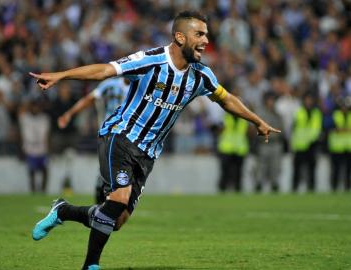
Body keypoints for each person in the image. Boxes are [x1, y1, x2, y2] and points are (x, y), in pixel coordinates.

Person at [29, 11, 280, 270]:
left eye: (206, 34)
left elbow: (226, 98)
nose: (206, 40)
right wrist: (61, 75)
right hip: (121, 135)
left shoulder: (201, 75)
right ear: (180, 37)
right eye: (200, 34)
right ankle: (91, 265)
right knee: (118, 199)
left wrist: (257, 121)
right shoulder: (150, 60)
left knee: (116, 219)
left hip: (148, 153)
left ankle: (62, 211)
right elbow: (106, 70)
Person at [57, 77, 129, 203]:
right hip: (109, 132)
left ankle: (107, 198)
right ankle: (101, 199)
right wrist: (70, 113)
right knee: (109, 169)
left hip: (129, 135)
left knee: (118, 170)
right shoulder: (109, 85)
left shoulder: (141, 86)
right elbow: (90, 99)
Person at [18, 98, 50, 193]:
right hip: (30, 148)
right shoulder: (25, 118)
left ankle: (43, 190)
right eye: (34, 107)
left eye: (37, 107)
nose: (35, 109)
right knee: (32, 171)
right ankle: (33, 191)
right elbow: (22, 134)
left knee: (44, 170)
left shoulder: (44, 118)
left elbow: (47, 135)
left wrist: (48, 149)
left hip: (42, 148)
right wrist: (21, 148)